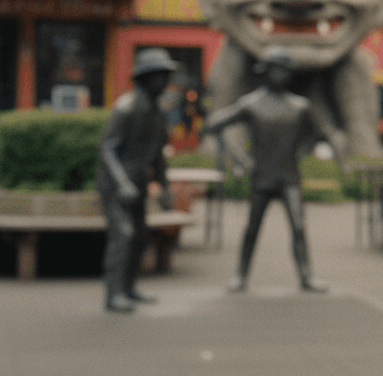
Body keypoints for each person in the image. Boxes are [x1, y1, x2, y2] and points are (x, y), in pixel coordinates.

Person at [201, 46, 343, 293]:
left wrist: (302, 151)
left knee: (299, 227)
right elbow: (213, 125)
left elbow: (317, 133)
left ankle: (306, 276)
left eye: (284, 70)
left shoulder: (299, 106)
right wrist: (239, 158)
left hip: (289, 177)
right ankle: (241, 275)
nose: (280, 75)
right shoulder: (251, 104)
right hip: (261, 178)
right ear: (265, 72)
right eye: (275, 70)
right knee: (252, 229)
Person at [99, 48, 177, 313]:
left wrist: (165, 188)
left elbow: (158, 156)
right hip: (116, 184)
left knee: (140, 236)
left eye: (166, 75)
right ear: (145, 78)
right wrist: (122, 183)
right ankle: (114, 294)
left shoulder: (158, 111)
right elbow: (107, 150)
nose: (165, 81)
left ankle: (130, 287)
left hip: (139, 182)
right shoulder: (126, 107)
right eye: (160, 75)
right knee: (123, 234)